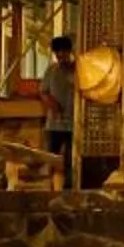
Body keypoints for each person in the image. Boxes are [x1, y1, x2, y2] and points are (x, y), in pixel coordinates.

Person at [41, 35, 77, 167]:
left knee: (71, 160)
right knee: (50, 158)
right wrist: (52, 104)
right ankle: (49, 184)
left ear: (69, 51)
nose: (61, 56)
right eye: (58, 54)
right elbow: (43, 92)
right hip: (54, 124)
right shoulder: (51, 70)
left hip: (74, 124)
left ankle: (68, 186)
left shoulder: (78, 69)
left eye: (64, 53)